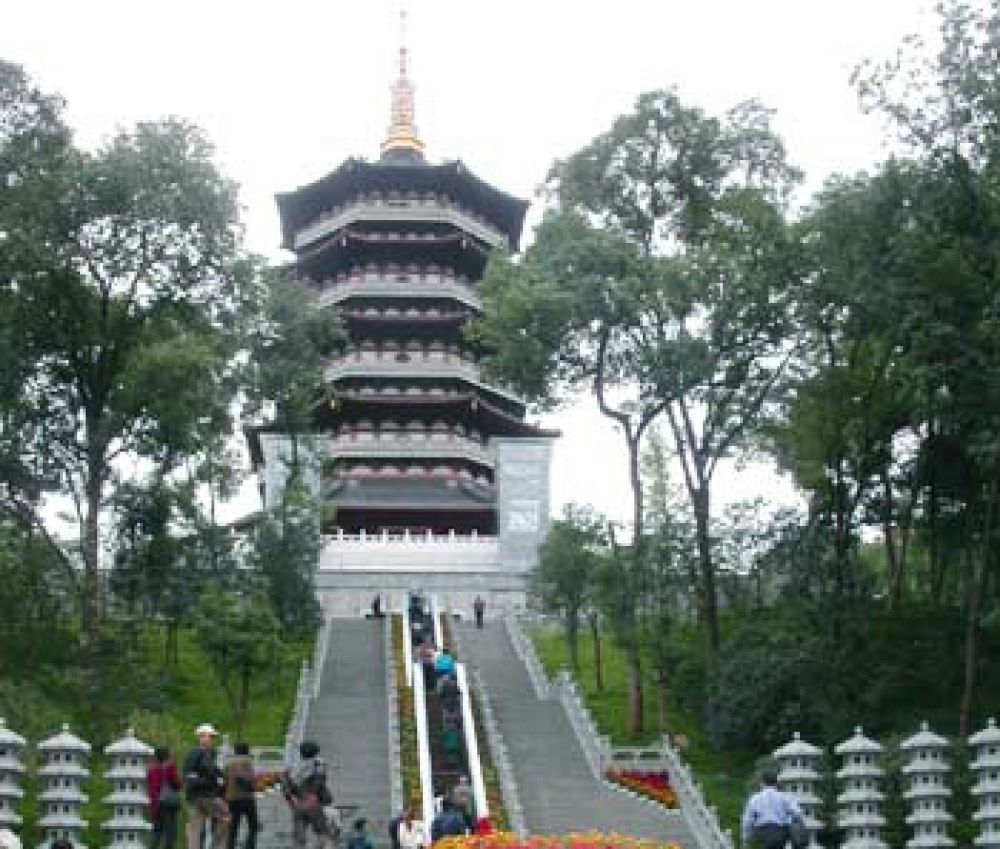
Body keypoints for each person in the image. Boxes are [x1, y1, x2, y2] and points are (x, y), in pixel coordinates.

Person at [183, 723, 230, 849]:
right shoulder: (205, 753)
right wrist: (218, 781)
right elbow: (210, 772)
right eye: (211, 737)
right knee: (225, 816)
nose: (212, 740)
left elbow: (188, 774)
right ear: (203, 737)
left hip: (191, 795)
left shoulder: (190, 754)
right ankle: (216, 846)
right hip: (206, 795)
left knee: (195, 827)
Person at [285, 740, 334, 849]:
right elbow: (320, 783)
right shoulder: (317, 765)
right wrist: (318, 795)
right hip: (314, 804)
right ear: (315, 752)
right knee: (322, 833)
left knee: (299, 837)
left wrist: (291, 799)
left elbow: (286, 786)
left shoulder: (293, 768)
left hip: (298, 805)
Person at [741, 769, 805, 849]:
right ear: (776, 782)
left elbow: (748, 820)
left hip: (762, 833)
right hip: (780, 832)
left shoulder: (755, 798)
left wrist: (745, 839)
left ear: (762, 782)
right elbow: (797, 813)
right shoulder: (785, 797)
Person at [224, 742, 259, 849]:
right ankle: (250, 846)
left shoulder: (230, 763)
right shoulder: (245, 762)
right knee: (253, 825)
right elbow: (246, 779)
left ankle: (230, 846)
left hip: (232, 798)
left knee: (233, 826)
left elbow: (226, 779)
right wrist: (252, 785)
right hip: (246, 798)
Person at [148, 745, 183, 849]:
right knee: (170, 832)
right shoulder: (169, 767)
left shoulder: (151, 768)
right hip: (168, 803)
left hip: (155, 803)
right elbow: (176, 783)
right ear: (167, 755)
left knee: (157, 832)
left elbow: (150, 786)